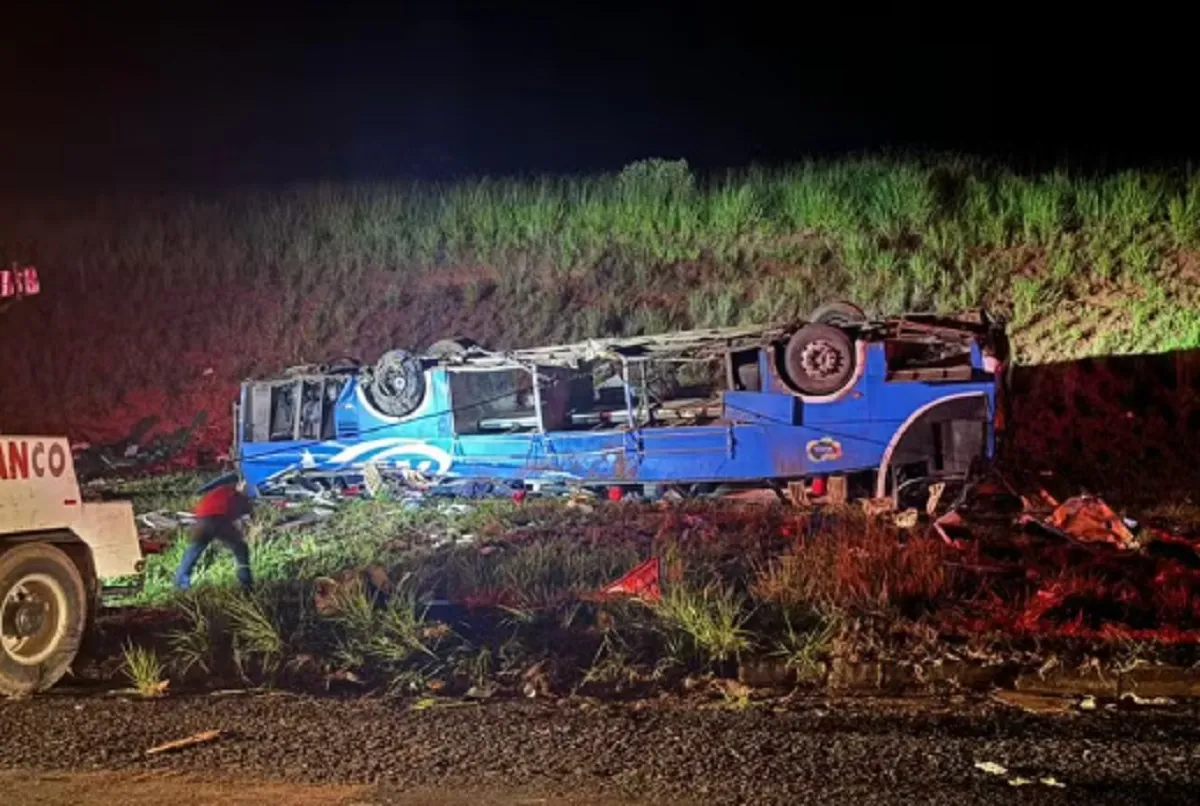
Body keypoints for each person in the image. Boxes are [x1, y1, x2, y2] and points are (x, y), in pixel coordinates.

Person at [174, 476, 255, 591]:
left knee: (193, 551)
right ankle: (246, 583)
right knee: (241, 548)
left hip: (201, 521)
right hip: (217, 519)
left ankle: (180, 585)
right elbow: (243, 513)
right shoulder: (235, 494)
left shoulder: (219, 491)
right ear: (239, 484)